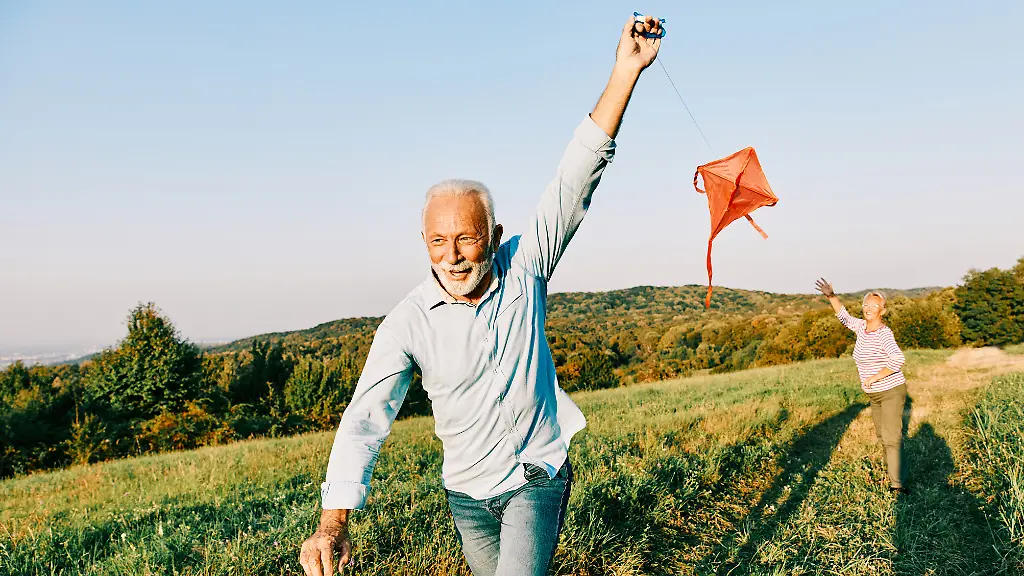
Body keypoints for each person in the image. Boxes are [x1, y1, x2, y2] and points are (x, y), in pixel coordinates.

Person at [298, 15, 665, 576]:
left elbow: (578, 175)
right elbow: (366, 417)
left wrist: (625, 71)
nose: (453, 255)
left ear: (493, 236)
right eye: (439, 241)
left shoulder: (525, 264)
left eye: (467, 238)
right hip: (467, 498)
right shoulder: (406, 324)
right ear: (423, 243)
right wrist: (333, 523)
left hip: (534, 476)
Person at [815, 279, 909, 494]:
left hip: (891, 391)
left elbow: (897, 359)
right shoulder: (861, 327)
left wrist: (875, 377)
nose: (869, 309)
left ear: (882, 311)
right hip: (874, 395)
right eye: (866, 304)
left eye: (874, 306)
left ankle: (898, 484)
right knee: (882, 436)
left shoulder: (884, 333)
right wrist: (831, 296)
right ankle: (894, 472)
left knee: (891, 437)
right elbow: (844, 317)